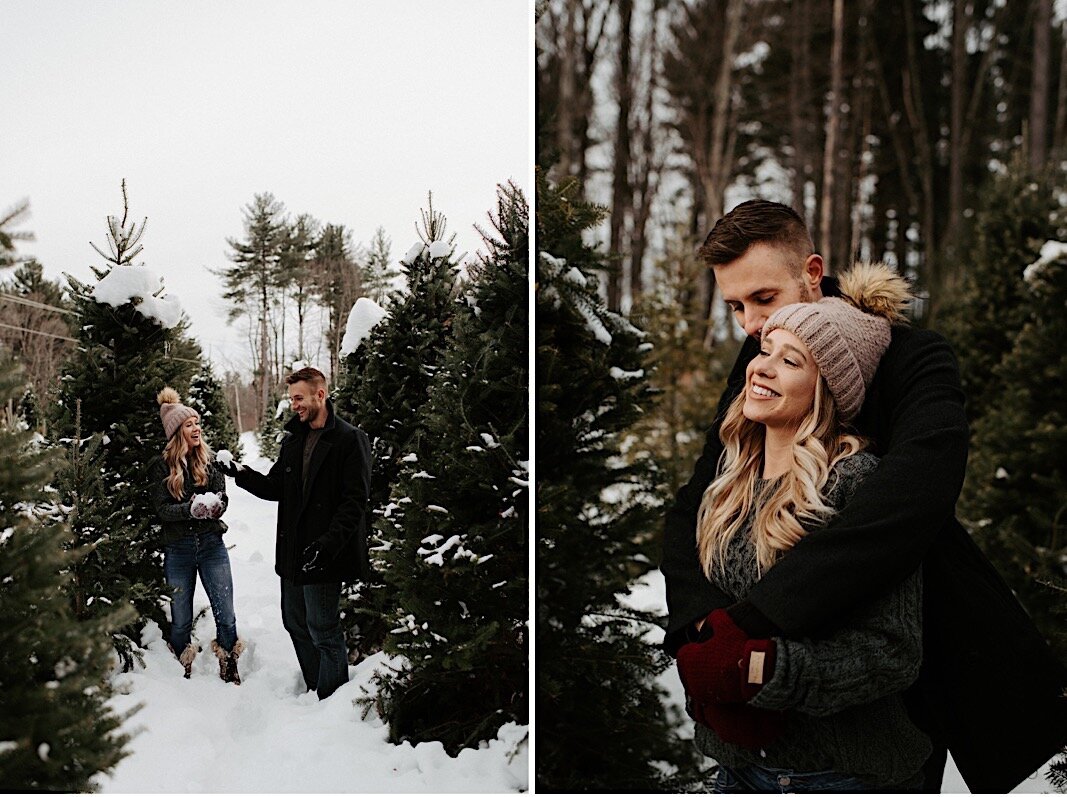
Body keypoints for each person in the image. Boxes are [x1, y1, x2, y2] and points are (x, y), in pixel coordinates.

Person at [661, 200, 1067, 794]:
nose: (749, 325)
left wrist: (755, 623)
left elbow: (913, 494)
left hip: (907, 636)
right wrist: (704, 634)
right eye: (735, 306)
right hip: (759, 722)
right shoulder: (759, 357)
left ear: (812, 272)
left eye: (764, 299)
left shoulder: (915, 358)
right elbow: (703, 492)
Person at [680, 263, 929, 792]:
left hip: (836, 775)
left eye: (790, 360)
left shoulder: (854, 482)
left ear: (827, 390)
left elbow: (892, 654)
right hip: (735, 769)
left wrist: (764, 671)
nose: (761, 368)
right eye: (765, 351)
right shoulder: (730, 481)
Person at [217, 366, 372, 700]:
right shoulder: (294, 440)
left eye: (299, 398)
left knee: (323, 629)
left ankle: (331, 700)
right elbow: (276, 487)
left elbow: (354, 502)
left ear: (320, 394)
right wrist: (240, 472)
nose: (295, 405)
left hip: (324, 553)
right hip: (293, 553)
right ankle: (317, 687)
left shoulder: (348, 439)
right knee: (295, 623)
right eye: (292, 400)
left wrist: (328, 545)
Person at [149, 387, 243, 684]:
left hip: (212, 545)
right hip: (178, 549)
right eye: (189, 424)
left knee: (225, 612)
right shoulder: (160, 466)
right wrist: (189, 510)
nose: (197, 428)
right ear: (177, 431)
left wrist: (215, 507)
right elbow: (162, 509)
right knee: (180, 619)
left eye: (197, 422)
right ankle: (181, 664)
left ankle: (229, 661)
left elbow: (223, 498)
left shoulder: (209, 461)